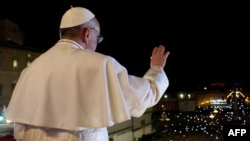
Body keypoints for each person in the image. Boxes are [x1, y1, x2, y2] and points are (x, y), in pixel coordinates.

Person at [5, 6, 170, 141]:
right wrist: (156, 68)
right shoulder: (100, 64)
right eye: (97, 38)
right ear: (88, 34)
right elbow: (143, 96)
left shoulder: (31, 68)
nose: (96, 44)